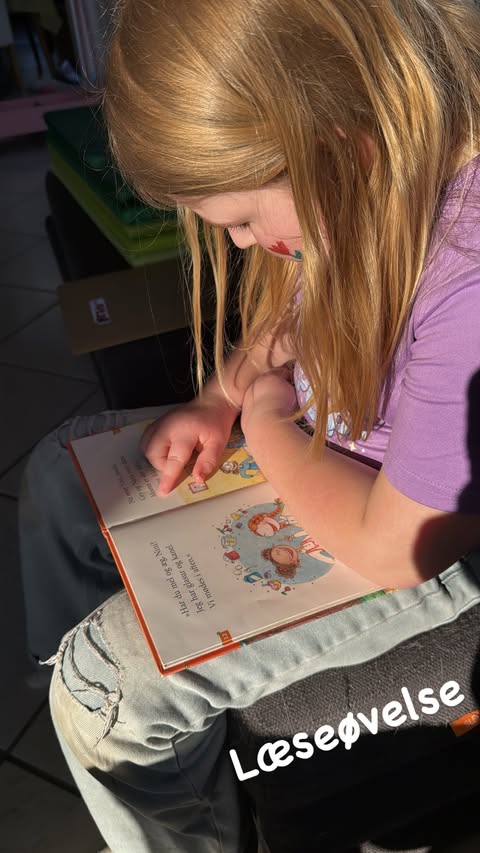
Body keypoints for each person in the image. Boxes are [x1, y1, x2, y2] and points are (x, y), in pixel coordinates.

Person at [18, 1, 480, 850]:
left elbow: (396, 547)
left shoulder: (469, 277)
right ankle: (130, 728)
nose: (236, 245)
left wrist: (265, 423)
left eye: (238, 221)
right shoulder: (355, 182)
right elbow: (289, 320)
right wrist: (219, 398)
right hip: (319, 448)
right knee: (57, 470)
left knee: (107, 689)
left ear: (338, 149)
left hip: (418, 536)